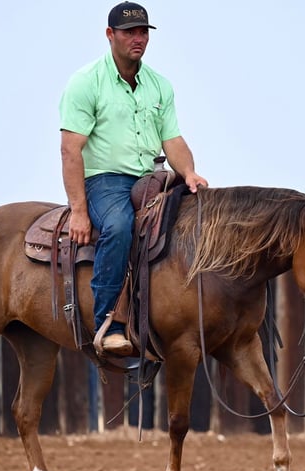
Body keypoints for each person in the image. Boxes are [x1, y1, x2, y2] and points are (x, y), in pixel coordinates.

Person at [59, 1, 208, 356]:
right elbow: (70, 150)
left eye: (143, 32)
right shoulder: (86, 83)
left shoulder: (159, 85)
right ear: (110, 35)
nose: (137, 39)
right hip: (104, 181)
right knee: (120, 226)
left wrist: (189, 172)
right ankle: (109, 321)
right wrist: (79, 210)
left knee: (193, 218)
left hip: (150, 178)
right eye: (129, 32)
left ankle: (175, 314)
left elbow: (172, 139)